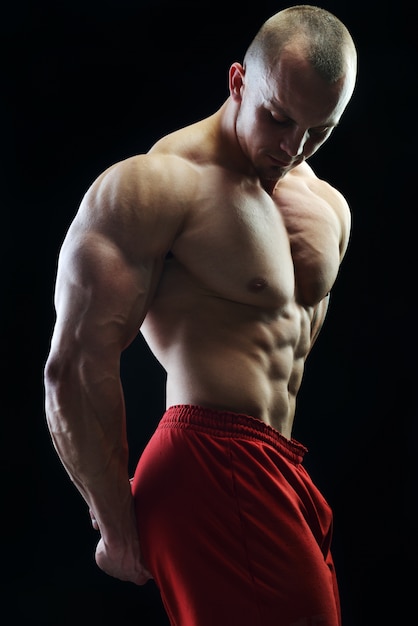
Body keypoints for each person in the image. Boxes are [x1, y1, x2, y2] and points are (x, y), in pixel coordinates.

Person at [44, 4, 357, 625]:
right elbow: (75, 365)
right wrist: (115, 526)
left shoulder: (323, 204)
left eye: (318, 132)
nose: (292, 147)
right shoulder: (159, 186)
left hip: (278, 468)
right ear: (238, 81)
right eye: (278, 118)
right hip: (210, 462)